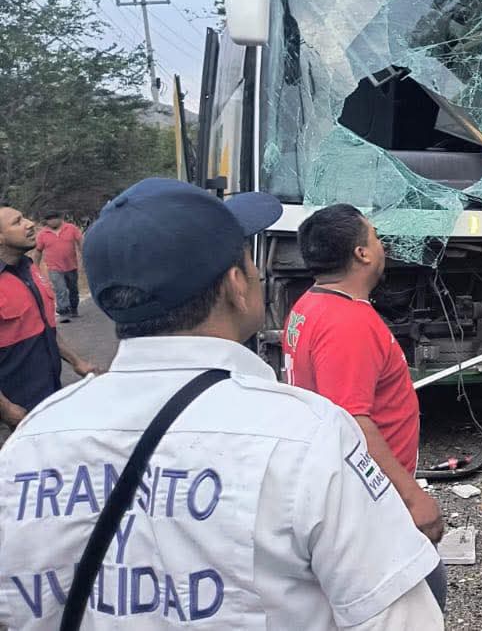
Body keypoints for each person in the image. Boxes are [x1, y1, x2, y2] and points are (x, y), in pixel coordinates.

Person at [0, 180, 444, 629]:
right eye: (247, 260)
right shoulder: (307, 437)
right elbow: (398, 619)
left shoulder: (32, 440)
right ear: (236, 285)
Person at [283, 204, 447, 603]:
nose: (382, 244)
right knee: (421, 596)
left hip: (347, 490)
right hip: (368, 498)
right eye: (374, 236)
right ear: (362, 254)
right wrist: (413, 497)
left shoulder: (311, 304)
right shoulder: (348, 323)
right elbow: (353, 421)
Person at [0, 204, 99, 429]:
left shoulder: (29, 269)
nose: (29, 223)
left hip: (49, 393)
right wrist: (6, 410)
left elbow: (44, 327)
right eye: (17, 222)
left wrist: (77, 361)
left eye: (24, 217)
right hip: (15, 409)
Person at [35, 211, 84, 323]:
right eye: (49, 219)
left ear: (60, 218)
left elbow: (80, 242)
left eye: (54, 218)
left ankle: (74, 309)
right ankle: (64, 312)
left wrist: (84, 256)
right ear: (46, 221)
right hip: (54, 268)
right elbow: (38, 251)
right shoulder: (43, 234)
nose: (52, 221)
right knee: (60, 289)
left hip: (71, 265)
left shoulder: (71, 228)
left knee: (73, 289)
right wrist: (35, 267)